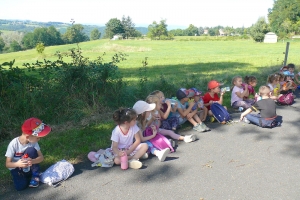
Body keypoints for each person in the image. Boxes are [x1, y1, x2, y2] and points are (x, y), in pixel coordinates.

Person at [5, 117, 51, 191]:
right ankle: (25, 176)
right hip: (18, 168)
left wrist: (33, 161)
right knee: (21, 187)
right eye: (37, 137)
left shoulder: (33, 142)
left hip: (30, 166)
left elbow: (41, 158)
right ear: (27, 137)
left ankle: (35, 175)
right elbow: (7, 164)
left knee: (31, 150)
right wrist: (17, 164)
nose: (39, 139)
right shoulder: (13, 144)